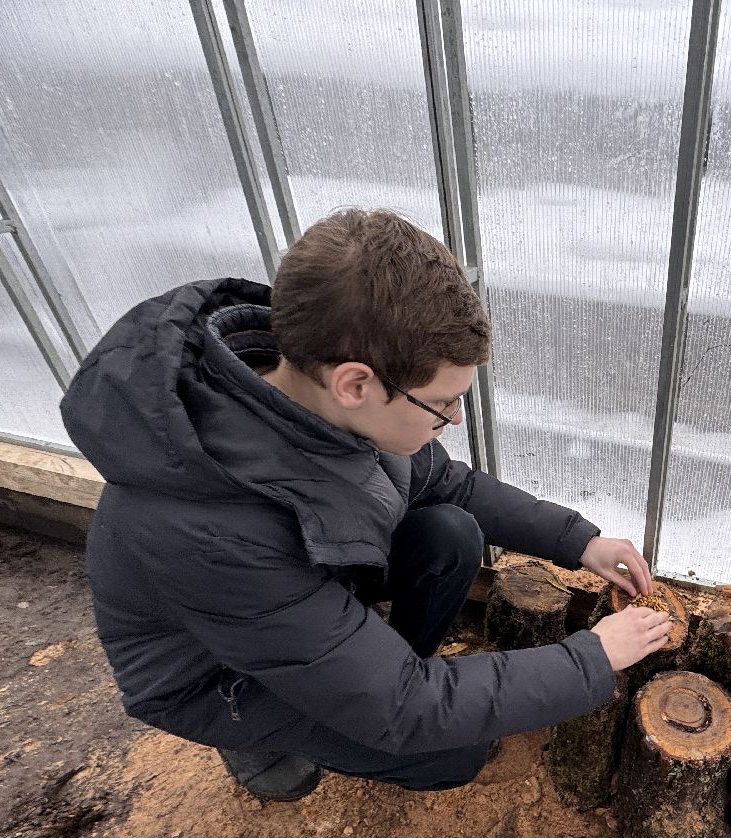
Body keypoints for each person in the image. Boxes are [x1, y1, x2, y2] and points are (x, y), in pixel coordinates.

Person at [60, 208, 672, 800]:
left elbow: (450, 485)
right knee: (450, 751)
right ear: (356, 384)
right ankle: (264, 736)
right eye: (442, 404)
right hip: (217, 671)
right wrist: (594, 655)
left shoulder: (303, 391)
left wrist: (579, 540)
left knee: (450, 533)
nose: (455, 418)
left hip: (295, 592)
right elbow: (409, 711)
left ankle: (362, 667)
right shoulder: (210, 529)